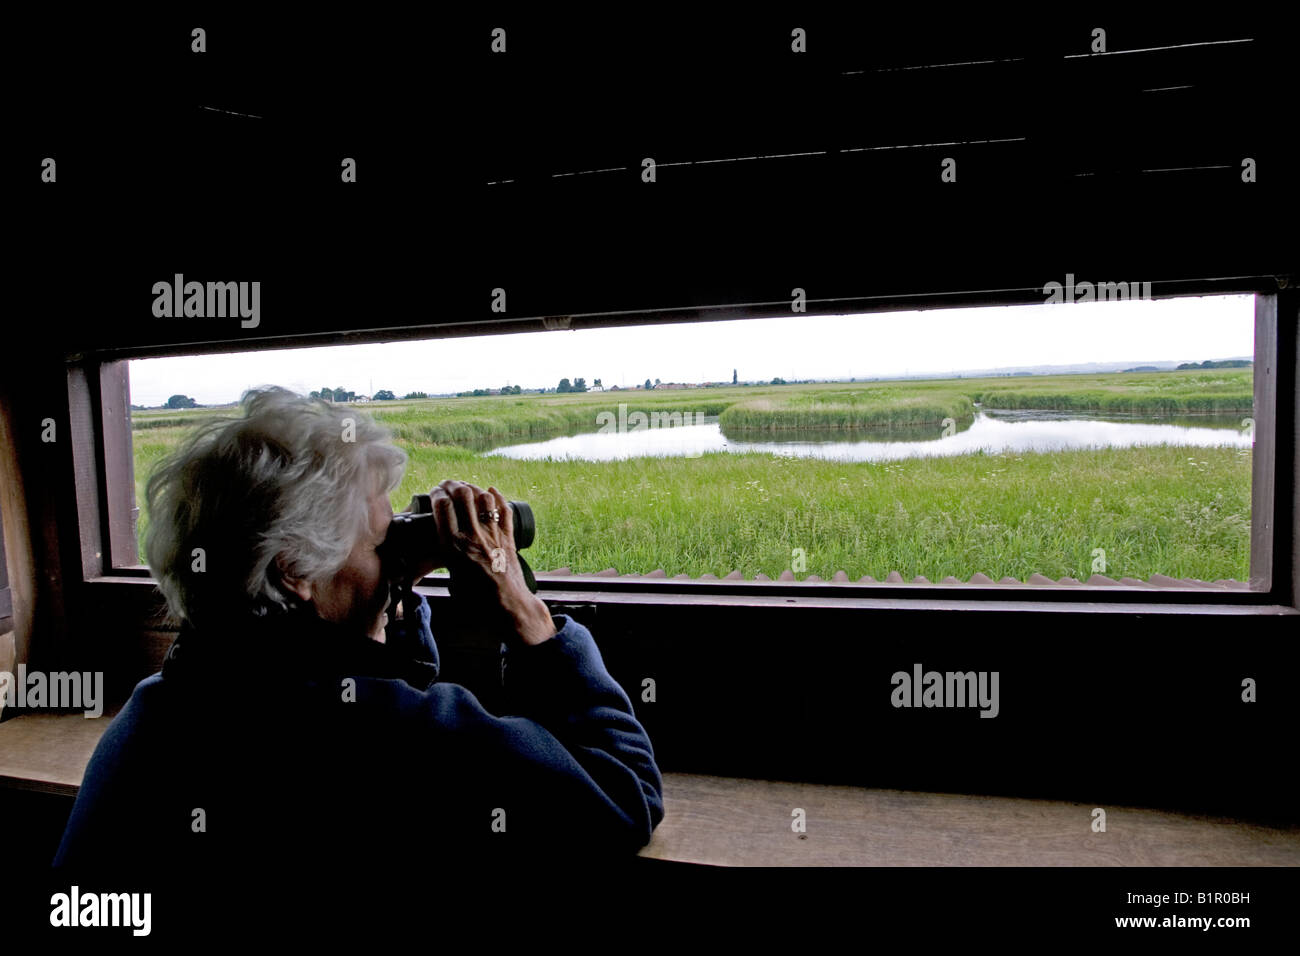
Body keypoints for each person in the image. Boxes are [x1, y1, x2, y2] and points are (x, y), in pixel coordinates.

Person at [53, 386, 664, 881]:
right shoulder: (371, 729)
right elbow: (625, 792)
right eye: (381, 541)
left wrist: (385, 590)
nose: (396, 554)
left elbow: (365, 683)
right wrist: (522, 609)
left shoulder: (165, 702)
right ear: (296, 570)